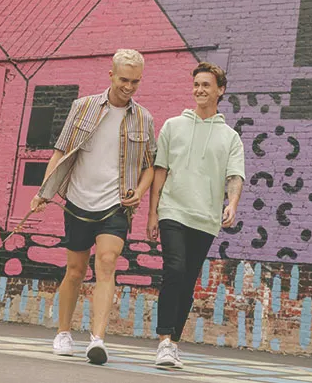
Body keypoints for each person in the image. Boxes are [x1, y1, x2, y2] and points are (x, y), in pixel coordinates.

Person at [31, 49, 156, 364]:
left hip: (115, 205)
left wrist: (139, 192)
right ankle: (63, 332)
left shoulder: (144, 118)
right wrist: (44, 191)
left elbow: (150, 166)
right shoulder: (83, 107)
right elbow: (61, 152)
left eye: (136, 81)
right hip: (78, 201)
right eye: (124, 79)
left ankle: (98, 339)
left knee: (107, 263)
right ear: (111, 75)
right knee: (75, 270)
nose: (129, 87)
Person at [147, 62, 245, 368]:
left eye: (206, 85)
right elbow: (159, 171)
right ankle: (164, 339)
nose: (199, 90)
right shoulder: (173, 126)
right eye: (196, 85)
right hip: (172, 210)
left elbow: (235, 176)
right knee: (174, 269)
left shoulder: (230, 137)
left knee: (188, 280)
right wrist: (153, 213)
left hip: (205, 218)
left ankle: (173, 343)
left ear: (220, 90)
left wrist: (232, 204)